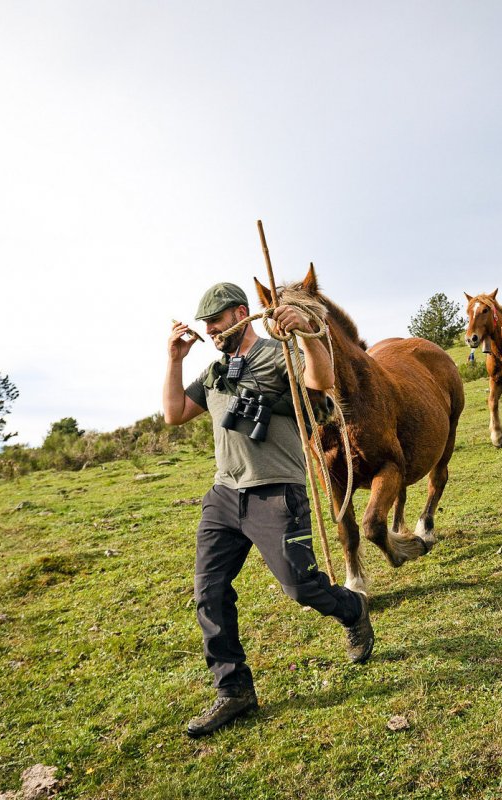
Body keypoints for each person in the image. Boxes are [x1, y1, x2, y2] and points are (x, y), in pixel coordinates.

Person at [164, 282, 374, 738]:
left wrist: (307, 335)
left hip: (276, 492)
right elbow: (174, 413)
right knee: (209, 592)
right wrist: (175, 360)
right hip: (224, 495)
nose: (211, 330)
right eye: (206, 324)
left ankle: (352, 609)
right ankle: (233, 690)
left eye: (216, 321)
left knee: (301, 588)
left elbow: (321, 382)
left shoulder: (278, 352)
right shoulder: (217, 368)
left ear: (240, 313)